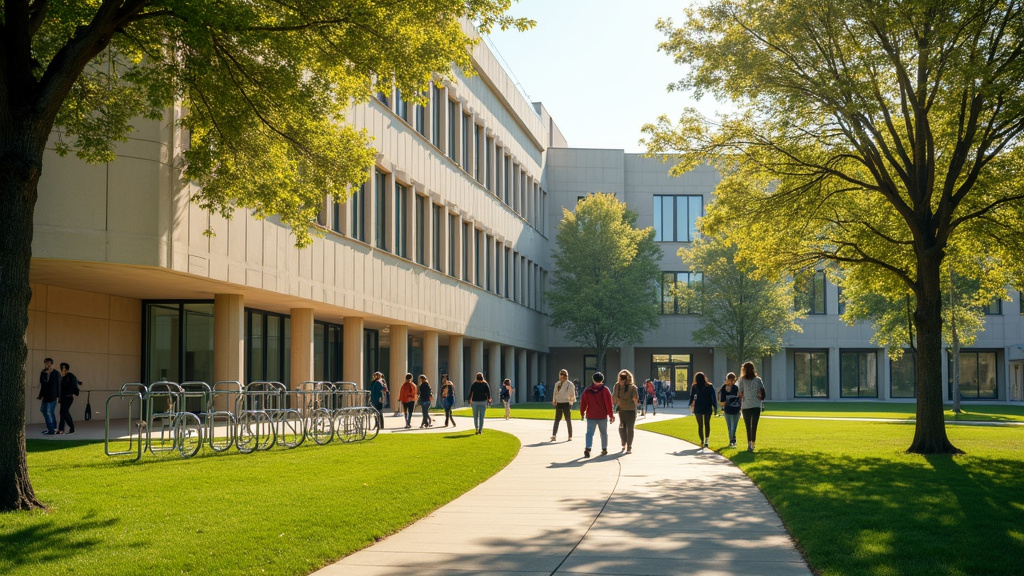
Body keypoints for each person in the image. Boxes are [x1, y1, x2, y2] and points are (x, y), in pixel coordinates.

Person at [579, 372, 614, 458]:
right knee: (604, 433)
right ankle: (604, 448)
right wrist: (611, 415)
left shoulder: (588, 390)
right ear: (602, 380)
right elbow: (609, 403)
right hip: (602, 415)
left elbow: (583, 402)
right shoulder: (605, 390)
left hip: (591, 415)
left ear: (593, 379)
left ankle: (588, 448)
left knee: (589, 433)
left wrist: (582, 412)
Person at [737, 362, 767, 452]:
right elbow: (763, 392)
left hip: (746, 406)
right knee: (754, 426)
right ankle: (753, 444)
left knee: (748, 426)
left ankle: (749, 444)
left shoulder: (741, 380)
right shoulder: (758, 380)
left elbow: (740, 393)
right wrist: (761, 398)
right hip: (756, 405)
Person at [689, 372, 717, 451]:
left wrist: (691, 405)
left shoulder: (694, 386)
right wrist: (715, 407)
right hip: (707, 406)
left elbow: (691, 397)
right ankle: (707, 440)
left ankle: (702, 440)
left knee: (700, 425)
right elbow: (713, 397)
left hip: (698, 407)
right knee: (707, 423)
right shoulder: (709, 386)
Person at [613, 370, 639, 453]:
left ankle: (623, 443)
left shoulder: (617, 386)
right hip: (631, 410)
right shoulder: (633, 387)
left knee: (622, 426)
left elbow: (614, 398)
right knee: (630, 428)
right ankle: (629, 446)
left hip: (621, 409)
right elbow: (636, 399)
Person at [550, 369, 576, 441]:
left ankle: (570, 436)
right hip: (559, 403)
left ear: (566, 375)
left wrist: (571, 401)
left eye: (564, 374)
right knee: (557, 419)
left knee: (568, 420)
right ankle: (554, 435)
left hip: (566, 403)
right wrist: (554, 400)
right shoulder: (557, 384)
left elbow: (572, 394)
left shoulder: (569, 384)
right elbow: (555, 392)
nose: (562, 376)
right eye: (561, 374)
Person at [38, 358, 60, 435]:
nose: (47, 364)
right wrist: (40, 395)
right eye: (46, 363)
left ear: (51, 364)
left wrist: (58, 396)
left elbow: (59, 385)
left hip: (52, 396)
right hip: (45, 395)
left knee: (48, 412)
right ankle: (53, 428)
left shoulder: (56, 373)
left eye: (49, 363)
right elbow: (42, 384)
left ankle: (51, 430)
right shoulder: (43, 373)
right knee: (44, 410)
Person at [719, 372, 741, 448]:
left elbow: (735, 398)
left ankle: (733, 441)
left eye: (730, 380)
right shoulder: (723, 388)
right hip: (727, 409)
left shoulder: (735, 388)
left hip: (735, 409)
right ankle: (731, 441)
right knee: (730, 427)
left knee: (733, 427)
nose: (728, 381)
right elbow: (722, 399)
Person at [57, 362, 80, 434]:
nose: (62, 370)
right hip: (65, 397)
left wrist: (71, 393)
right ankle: (61, 429)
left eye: (63, 368)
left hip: (67, 397)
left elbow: (72, 386)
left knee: (64, 412)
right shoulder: (65, 377)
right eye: (62, 368)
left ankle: (71, 427)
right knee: (62, 413)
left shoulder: (70, 376)